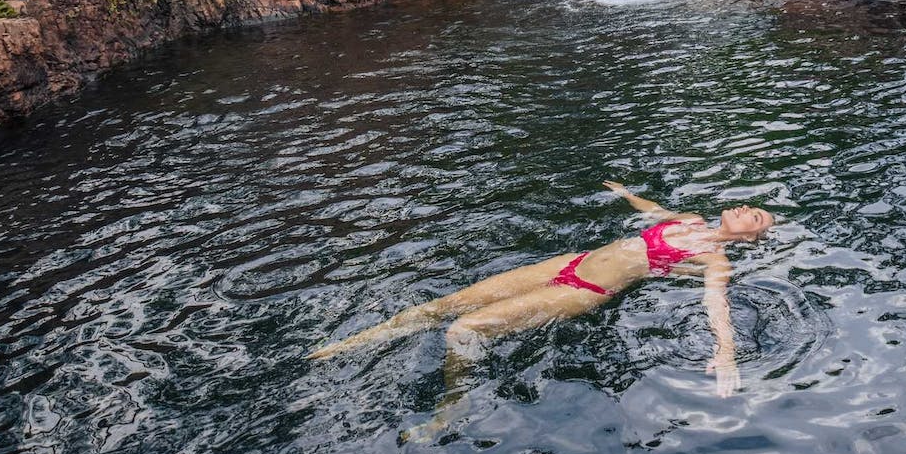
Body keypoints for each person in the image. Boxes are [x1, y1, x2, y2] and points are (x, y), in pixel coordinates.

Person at [310, 182, 775, 400]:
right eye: (751, 205)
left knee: (463, 329)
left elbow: (716, 301)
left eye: (755, 217)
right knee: (445, 305)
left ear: (749, 238)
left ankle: (452, 405)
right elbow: (654, 211)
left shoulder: (715, 261)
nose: (747, 209)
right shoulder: (690, 220)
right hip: (569, 263)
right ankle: (355, 342)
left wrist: (727, 351)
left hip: (589, 288)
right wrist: (626, 194)